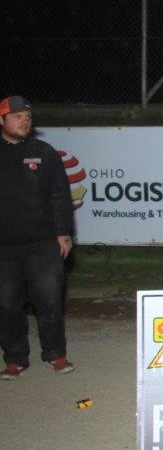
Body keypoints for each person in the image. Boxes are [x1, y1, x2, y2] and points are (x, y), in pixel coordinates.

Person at [0, 95, 75, 380]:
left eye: (28, 117)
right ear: (2, 120)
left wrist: (63, 233)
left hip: (42, 243)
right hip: (4, 246)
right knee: (6, 304)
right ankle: (15, 358)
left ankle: (55, 353)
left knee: (50, 300)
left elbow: (60, 195)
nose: (24, 121)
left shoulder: (44, 152)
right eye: (17, 116)